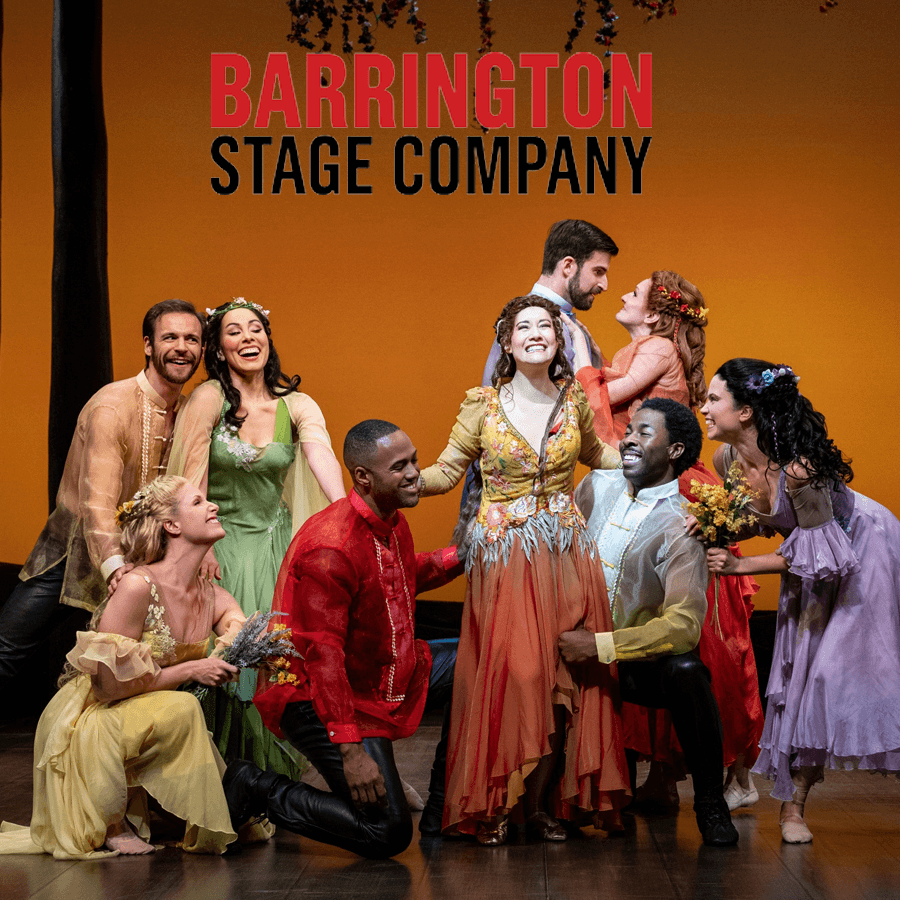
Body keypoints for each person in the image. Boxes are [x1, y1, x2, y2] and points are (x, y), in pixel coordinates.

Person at [419, 295, 628, 845]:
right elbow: (446, 469)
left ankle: (538, 807)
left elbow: (599, 456)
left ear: (557, 341)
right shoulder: (482, 405)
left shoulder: (573, 400)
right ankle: (496, 803)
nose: (536, 334)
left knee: (565, 681)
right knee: (521, 677)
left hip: (566, 554)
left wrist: (648, 460)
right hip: (506, 558)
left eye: (546, 327)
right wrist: (403, 483)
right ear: (507, 343)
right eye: (524, 327)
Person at [224, 420, 463, 860]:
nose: (415, 473)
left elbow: (399, 575)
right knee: (386, 832)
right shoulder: (330, 548)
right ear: (363, 477)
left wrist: (461, 556)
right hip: (321, 699)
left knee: (476, 660)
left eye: (413, 461)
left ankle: (445, 807)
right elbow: (323, 655)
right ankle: (255, 787)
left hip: (373, 676)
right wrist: (350, 749)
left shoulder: (390, 520)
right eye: (400, 467)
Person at [571, 272, 764, 811]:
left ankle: (673, 767)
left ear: (657, 315)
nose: (621, 295)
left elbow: (603, 402)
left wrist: (579, 370)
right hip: (642, 478)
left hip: (667, 487)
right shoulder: (641, 346)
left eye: (632, 292)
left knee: (674, 624)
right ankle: (659, 768)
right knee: (647, 618)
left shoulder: (653, 348)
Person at [697, 358, 900, 843]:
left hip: (860, 555)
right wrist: (711, 524)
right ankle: (794, 810)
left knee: (837, 678)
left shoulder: (799, 469)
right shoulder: (730, 462)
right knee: (801, 678)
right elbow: (766, 523)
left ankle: (794, 807)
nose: (703, 407)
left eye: (713, 399)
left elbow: (818, 551)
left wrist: (740, 565)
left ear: (745, 412)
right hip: (812, 566)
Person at [0, 475, 246, 858]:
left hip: (141, 717)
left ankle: (182, 811)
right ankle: (110, 815)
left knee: (194, 707)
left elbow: (235, 618)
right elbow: (108, 689)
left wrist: (231, 642)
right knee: (183, 705)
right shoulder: (137, 587)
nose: (213, 507)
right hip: (93, 725)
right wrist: (191, 670)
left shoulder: (205, 589)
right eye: (199, 502)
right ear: (172, 525)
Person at [168, 297, 345, 779]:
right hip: (217, 546)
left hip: (274, 547)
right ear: (219, 349)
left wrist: (345, 512)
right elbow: (192, 473)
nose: (249, 338)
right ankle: (228, 776)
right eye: (234, 332)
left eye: (256, 329)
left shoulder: (297, 404)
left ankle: (275, 777)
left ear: (269, 339)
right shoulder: (210, 398)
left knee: (278, 659)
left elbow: (321, 456)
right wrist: (197, 548)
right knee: (228, 658)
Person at [559, 398, 739, 847]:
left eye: (644, 432)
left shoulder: (683, 526)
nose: (629, 439)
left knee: (688, 671)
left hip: (628, 661)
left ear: (675, 450)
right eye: (630, 430)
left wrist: (602, 645)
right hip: (566, 644)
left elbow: (682, 627)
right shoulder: (595, 486)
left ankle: (710, 802)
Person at [0, 299, 205, 687]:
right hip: (77, 550)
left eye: (192, 339)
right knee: (7, 649)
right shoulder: (113, 405)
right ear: (148, 345)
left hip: (144, 555)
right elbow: (98, 502)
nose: (182, 347)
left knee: (130, 664)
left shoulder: (190, 412)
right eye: (170, 337)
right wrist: (114, 567)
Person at [480, 219, 618, 384]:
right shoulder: (528, 321)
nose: (605, 285)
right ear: (568, 266)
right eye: (598, 271)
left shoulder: (556, 322)